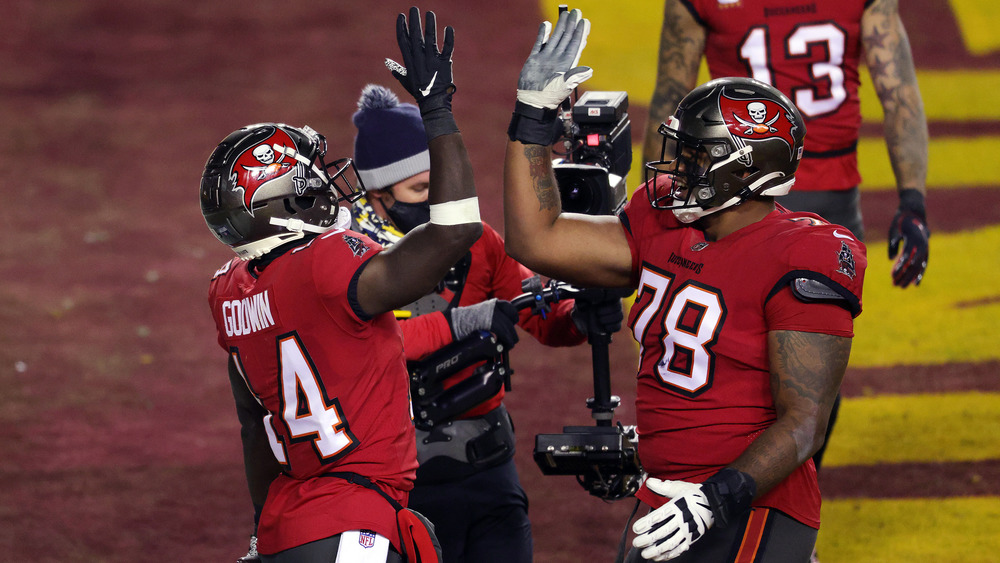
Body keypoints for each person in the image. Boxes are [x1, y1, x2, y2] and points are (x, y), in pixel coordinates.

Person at [503, 9, 866, 562]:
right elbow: (537, 240)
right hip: (660, 495)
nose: (678, 169)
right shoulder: (661, 217)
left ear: (747, 171)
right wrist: (531, 118)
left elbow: (804, 424)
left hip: (750, 502)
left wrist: (714, 500)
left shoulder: (805, 252)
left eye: (697, 156)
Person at [203, 8, 479, 562]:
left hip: (290, 527)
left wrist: (261, 535)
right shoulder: (326, 263)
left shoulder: (229, 292)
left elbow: (254, 430)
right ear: (287, 203)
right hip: (354, 527)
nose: (329, 188)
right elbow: (455, 233)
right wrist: (438, 112)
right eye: (311, 180)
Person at [640, 0, 929, 476]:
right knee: (810, 372)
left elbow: (672, 97)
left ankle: (743, 496)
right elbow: (899, 95)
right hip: (818, 200)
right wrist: (913, 200)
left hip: (735, 196)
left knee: (731, 351)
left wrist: (661, 206)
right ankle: (776, 505)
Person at [348, 82, 624, 563]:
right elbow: (370, 348)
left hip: (490, 473)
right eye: (418, 188)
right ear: (377, 196)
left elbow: (538, 315)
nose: (436, 196)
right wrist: (462, 323)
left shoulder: (480, 242)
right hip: (397, 487)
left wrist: (579, 316)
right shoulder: (351, 260)